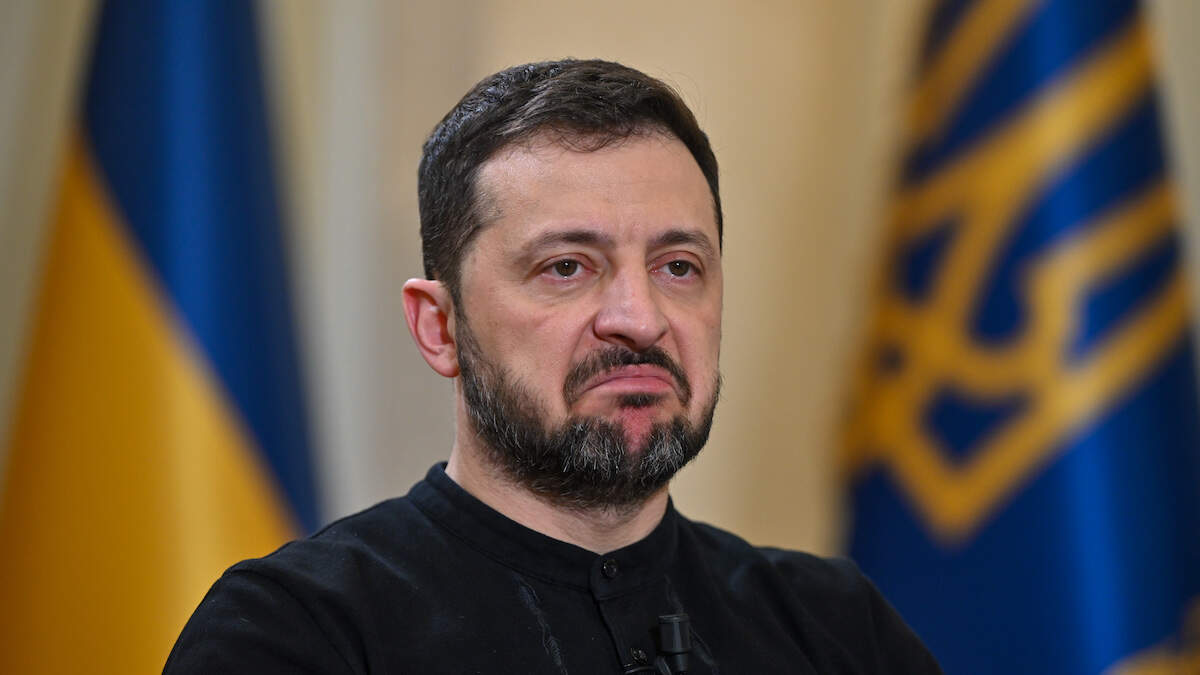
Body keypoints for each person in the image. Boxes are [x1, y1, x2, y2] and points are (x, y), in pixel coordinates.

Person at [165, 59, 941, 674]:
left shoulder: (836, 628)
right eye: (567, 266)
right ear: (439, 326)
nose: (640, 317)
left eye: (678, 266)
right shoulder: (297, 631)